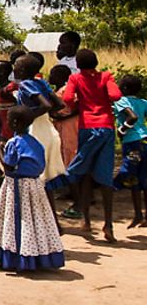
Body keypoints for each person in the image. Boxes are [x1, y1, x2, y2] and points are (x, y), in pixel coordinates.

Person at [0, 105, 65, 270]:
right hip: (35, 186)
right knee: (36, 221)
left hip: (16, 187)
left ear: (16, 123)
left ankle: (16, 258)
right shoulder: (36, 143)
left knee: (15, 221)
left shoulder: (14, 142)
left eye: (10, 120)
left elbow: (8, 166)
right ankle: (37, 256)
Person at [49, 49, 121, 242]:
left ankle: (86, 220)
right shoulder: (106, 76)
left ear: (78, 65)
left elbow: (67, 99)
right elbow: (115, 95)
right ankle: (108, 224)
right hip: (105, 127)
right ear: (96, 61)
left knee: (84, 171)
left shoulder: (75, 79)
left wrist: (78, 104)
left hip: (87, 127)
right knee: (105, 176)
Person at [13, 54, 67, 228]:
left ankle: (37, 224)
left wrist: (26, 117)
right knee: (45, 182)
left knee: (32, 179)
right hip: (48, 130)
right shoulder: (41, 83)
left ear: (21, 70)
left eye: (15, 66)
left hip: (35, 131)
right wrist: (45, 114)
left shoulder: (26, 84)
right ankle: (54, 223)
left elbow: (46, 105)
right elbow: (59, 104)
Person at [113, 75, 147, 228]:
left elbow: (132, 117)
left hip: (133, 142)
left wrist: (122, 129)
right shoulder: (143, 102)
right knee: (142, 179)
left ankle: (113, 186)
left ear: (125, 89)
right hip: (145, 140)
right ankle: (141, 216)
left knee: (129, 173)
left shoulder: (122, 101)